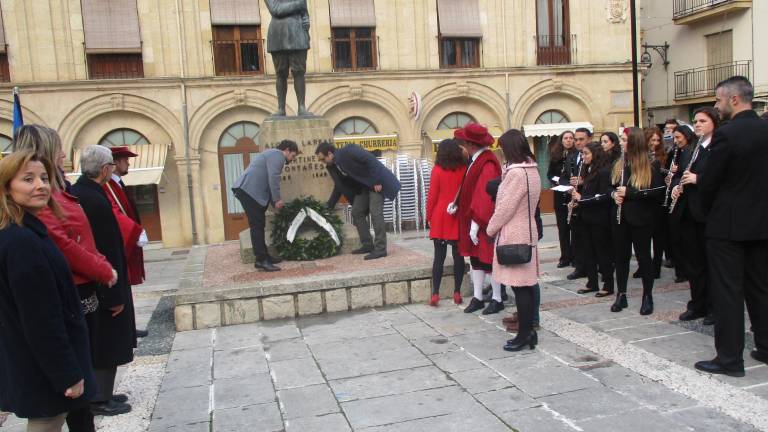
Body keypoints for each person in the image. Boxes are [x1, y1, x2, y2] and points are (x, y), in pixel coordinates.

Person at [14, 126, 121, 425]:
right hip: (71, 289)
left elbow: (78, 239)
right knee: (67, 393)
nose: (63, 154)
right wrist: (102, 268)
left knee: (79, 383)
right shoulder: (32, 216)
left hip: (81, 287)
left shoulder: (58, 188)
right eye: (58, 148)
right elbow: (64, 243)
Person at [0, 150, 96, 431]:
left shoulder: (25, 232)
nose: (40, 185)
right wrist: (66, 373)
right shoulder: (21, 242)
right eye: (28, 179)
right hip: (42, 367)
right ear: (7, 187)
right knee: (47, 422)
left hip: (36, 362)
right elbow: (41, 318)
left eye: (44, 177)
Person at [695, 76, 768, 377]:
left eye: (718, 100)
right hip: (762, 223)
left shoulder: (727, 134)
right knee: (761, 288)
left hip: (728, 225)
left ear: (734, 99)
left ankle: (729, 359)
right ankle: (765, 346)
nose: (717, 105)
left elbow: (709, 181)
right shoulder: (765, 129)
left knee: (727, 293)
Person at [70, 145, 137, 415]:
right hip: (105, 283)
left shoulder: (83, 193)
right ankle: (99, 397)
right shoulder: (94, 199)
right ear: (106, 169)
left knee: (105, 340)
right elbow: (106, 248)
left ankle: (104, 392)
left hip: (101, 281)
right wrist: (114, 294)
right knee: (106, 341)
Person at [485, 129, 541, 351]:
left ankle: (524, 334)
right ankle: (528, 333)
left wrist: (490, 229)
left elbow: (505, 208)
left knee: (520, 288)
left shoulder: (516, 173)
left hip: (514, 232)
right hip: (527, 230)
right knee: (525, 287)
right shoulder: (532, 170)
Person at [671, 107, 719, 326]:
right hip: (688, 212)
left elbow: (720, 179)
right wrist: (676, 188)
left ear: (714, 123)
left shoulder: (717, 148)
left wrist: (698, 179)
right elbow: (681, 175)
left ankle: (713, 308)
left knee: (710, 265)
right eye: (696, 121)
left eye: (703, 120)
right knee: (693, 264)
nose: (698, 124)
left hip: (707, 214)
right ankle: (697, 304)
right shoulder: (693, 148)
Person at [610, 127, 665, 315]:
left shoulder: (651, 164)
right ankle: (621, 294)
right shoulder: (620, 163)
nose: (621, 143)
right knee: (621, 258)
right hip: (621, 218)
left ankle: (647, 295)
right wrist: (613, 195)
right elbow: (611, 186)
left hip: (641, 218)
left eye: (624, 140)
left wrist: (631, 193)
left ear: (634, 142)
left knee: (643, 257)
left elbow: (658, 191)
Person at [314, 142, 400, 260]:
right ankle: (368, 245)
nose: (323, 162)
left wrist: (376, 181)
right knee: (356, 211)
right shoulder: (332, 166)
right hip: (364, 186)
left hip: (376, 182)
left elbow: (370, 160)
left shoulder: (349, 150)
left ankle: (380, 249)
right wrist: (329, 205)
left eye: (323, 159)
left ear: (329, 153)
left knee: (375, 213)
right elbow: (339, 186)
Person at [452, 123, 502, 315]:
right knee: (476, 260)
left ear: (470, 144)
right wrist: (457, 202)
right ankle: (478, 297)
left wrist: (475, 223)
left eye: (464, 142)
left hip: (483, 222)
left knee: (489, 260)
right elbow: (469, 187)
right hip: (474, 219)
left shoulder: (487, 163)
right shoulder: (477, 159)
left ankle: (497, 298)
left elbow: (484, 195)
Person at [233, 140, 299, 271]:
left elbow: (268, 180)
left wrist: (274, 203)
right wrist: (277, 199)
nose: (292, 159)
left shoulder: (271, 154)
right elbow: (273, 177)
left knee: (259, 224)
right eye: (293, 155)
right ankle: (261, 260)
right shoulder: (278, 155)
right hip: (248, 191)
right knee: (257, 226)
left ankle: (264, 257)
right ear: (286, 150)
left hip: (249, 191)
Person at [425, 139, 467, 306]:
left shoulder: (437, 170)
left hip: (441, 215)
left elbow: (432, 196)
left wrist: (428, 216)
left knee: (439, 258)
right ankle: (457, 292)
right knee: (458, 257)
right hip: (457, 214)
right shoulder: (464, 169)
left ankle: (435, 293)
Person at [571, 142, 614, 297]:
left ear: (595, 154)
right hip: (586, 216)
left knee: (602, 252)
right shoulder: (588, 169)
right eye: (583, 154)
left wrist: (582, 198)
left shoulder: (603, 171)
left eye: (586, 154)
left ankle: (608, 284)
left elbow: (603, 196)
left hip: (598, 218)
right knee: (587, 251)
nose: (583, 157)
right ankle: (592, 282)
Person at [265, 0, 311, 116]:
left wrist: (306, 19)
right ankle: (281, 108)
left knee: (299, 72)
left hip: (298, 33)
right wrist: (299, 4)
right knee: (281, 73)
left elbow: (304, 11)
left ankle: (301, 107)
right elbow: (276, 10)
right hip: (278, 35)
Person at [566, 127, 592, 281]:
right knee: (576, 236)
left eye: (581, 139)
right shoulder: (572, 155)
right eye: (576, 139)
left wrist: (583, 181)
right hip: (575, 200)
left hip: (587, 200)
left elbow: (600, 178)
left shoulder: (594, 156)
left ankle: (592, 267)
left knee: (588, 238)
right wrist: (569, 183)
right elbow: (564, 176)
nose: (577, 142)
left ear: (589, 139)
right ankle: (579, 266)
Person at [547, 130, 575, 268]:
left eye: (571, 138)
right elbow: (549, 174)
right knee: (562, 229)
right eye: (566, 138)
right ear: (561, 140)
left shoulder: (577, 155)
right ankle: (565, 256)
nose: (569, 140)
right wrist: (557, 180)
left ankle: (575, 256)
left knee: (574, 228)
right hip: (559, 195)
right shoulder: (556, 156)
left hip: (572, 195)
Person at [644, 127, 668, 280]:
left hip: (659, 200)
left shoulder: (663, 155)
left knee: (658, 237)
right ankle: (645, 266)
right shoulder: (642, 156)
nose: (655, 143)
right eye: (652, 140)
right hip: (645, 200)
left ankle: (657, 266)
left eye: (657, 140)